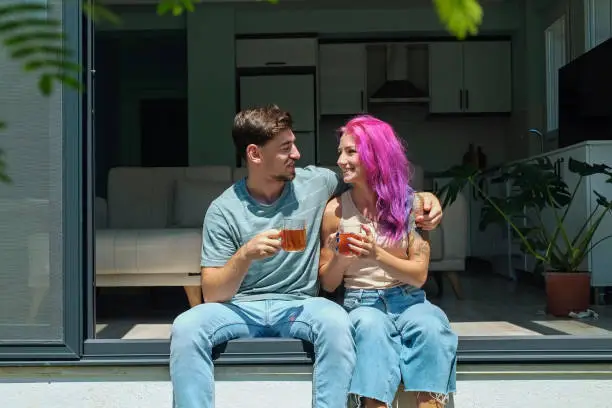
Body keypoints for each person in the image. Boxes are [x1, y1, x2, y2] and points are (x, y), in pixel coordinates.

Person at [169, 105, 444, 408]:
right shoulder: (223, 210)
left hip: (301, 304)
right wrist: (245, 254)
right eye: (286, 148)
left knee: (338, 322)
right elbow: (212, 292)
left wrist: (422, 198)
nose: (297, 154)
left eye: (294, 144)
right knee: (186, 326)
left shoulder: (316, 183)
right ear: (255, 154)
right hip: (241, 307)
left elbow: (371, 182)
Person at [318, 115, 458, 408]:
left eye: (350, 152)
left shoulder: (414, 207)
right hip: (361, 302)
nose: (341, 160)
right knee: (371, 329)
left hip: (409, 299)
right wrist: (342, 258)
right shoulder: (336, 211)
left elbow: (418, 276)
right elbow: (329, 283)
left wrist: (376, 254)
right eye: (340, 152)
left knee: (432, 326)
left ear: (376, 155)